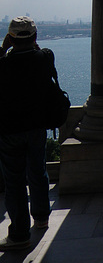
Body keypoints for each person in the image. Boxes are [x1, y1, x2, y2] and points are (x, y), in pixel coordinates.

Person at [0, 16, 54, 250]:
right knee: (38, 170)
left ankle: (20, 233)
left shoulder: (3, 63)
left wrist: (4, 48)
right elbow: (43, 57)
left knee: (14, 181)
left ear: (11, 38)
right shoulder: (45, 57)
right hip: (36, 125)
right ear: (35, 37)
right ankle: (41, 217)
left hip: (9, 128)